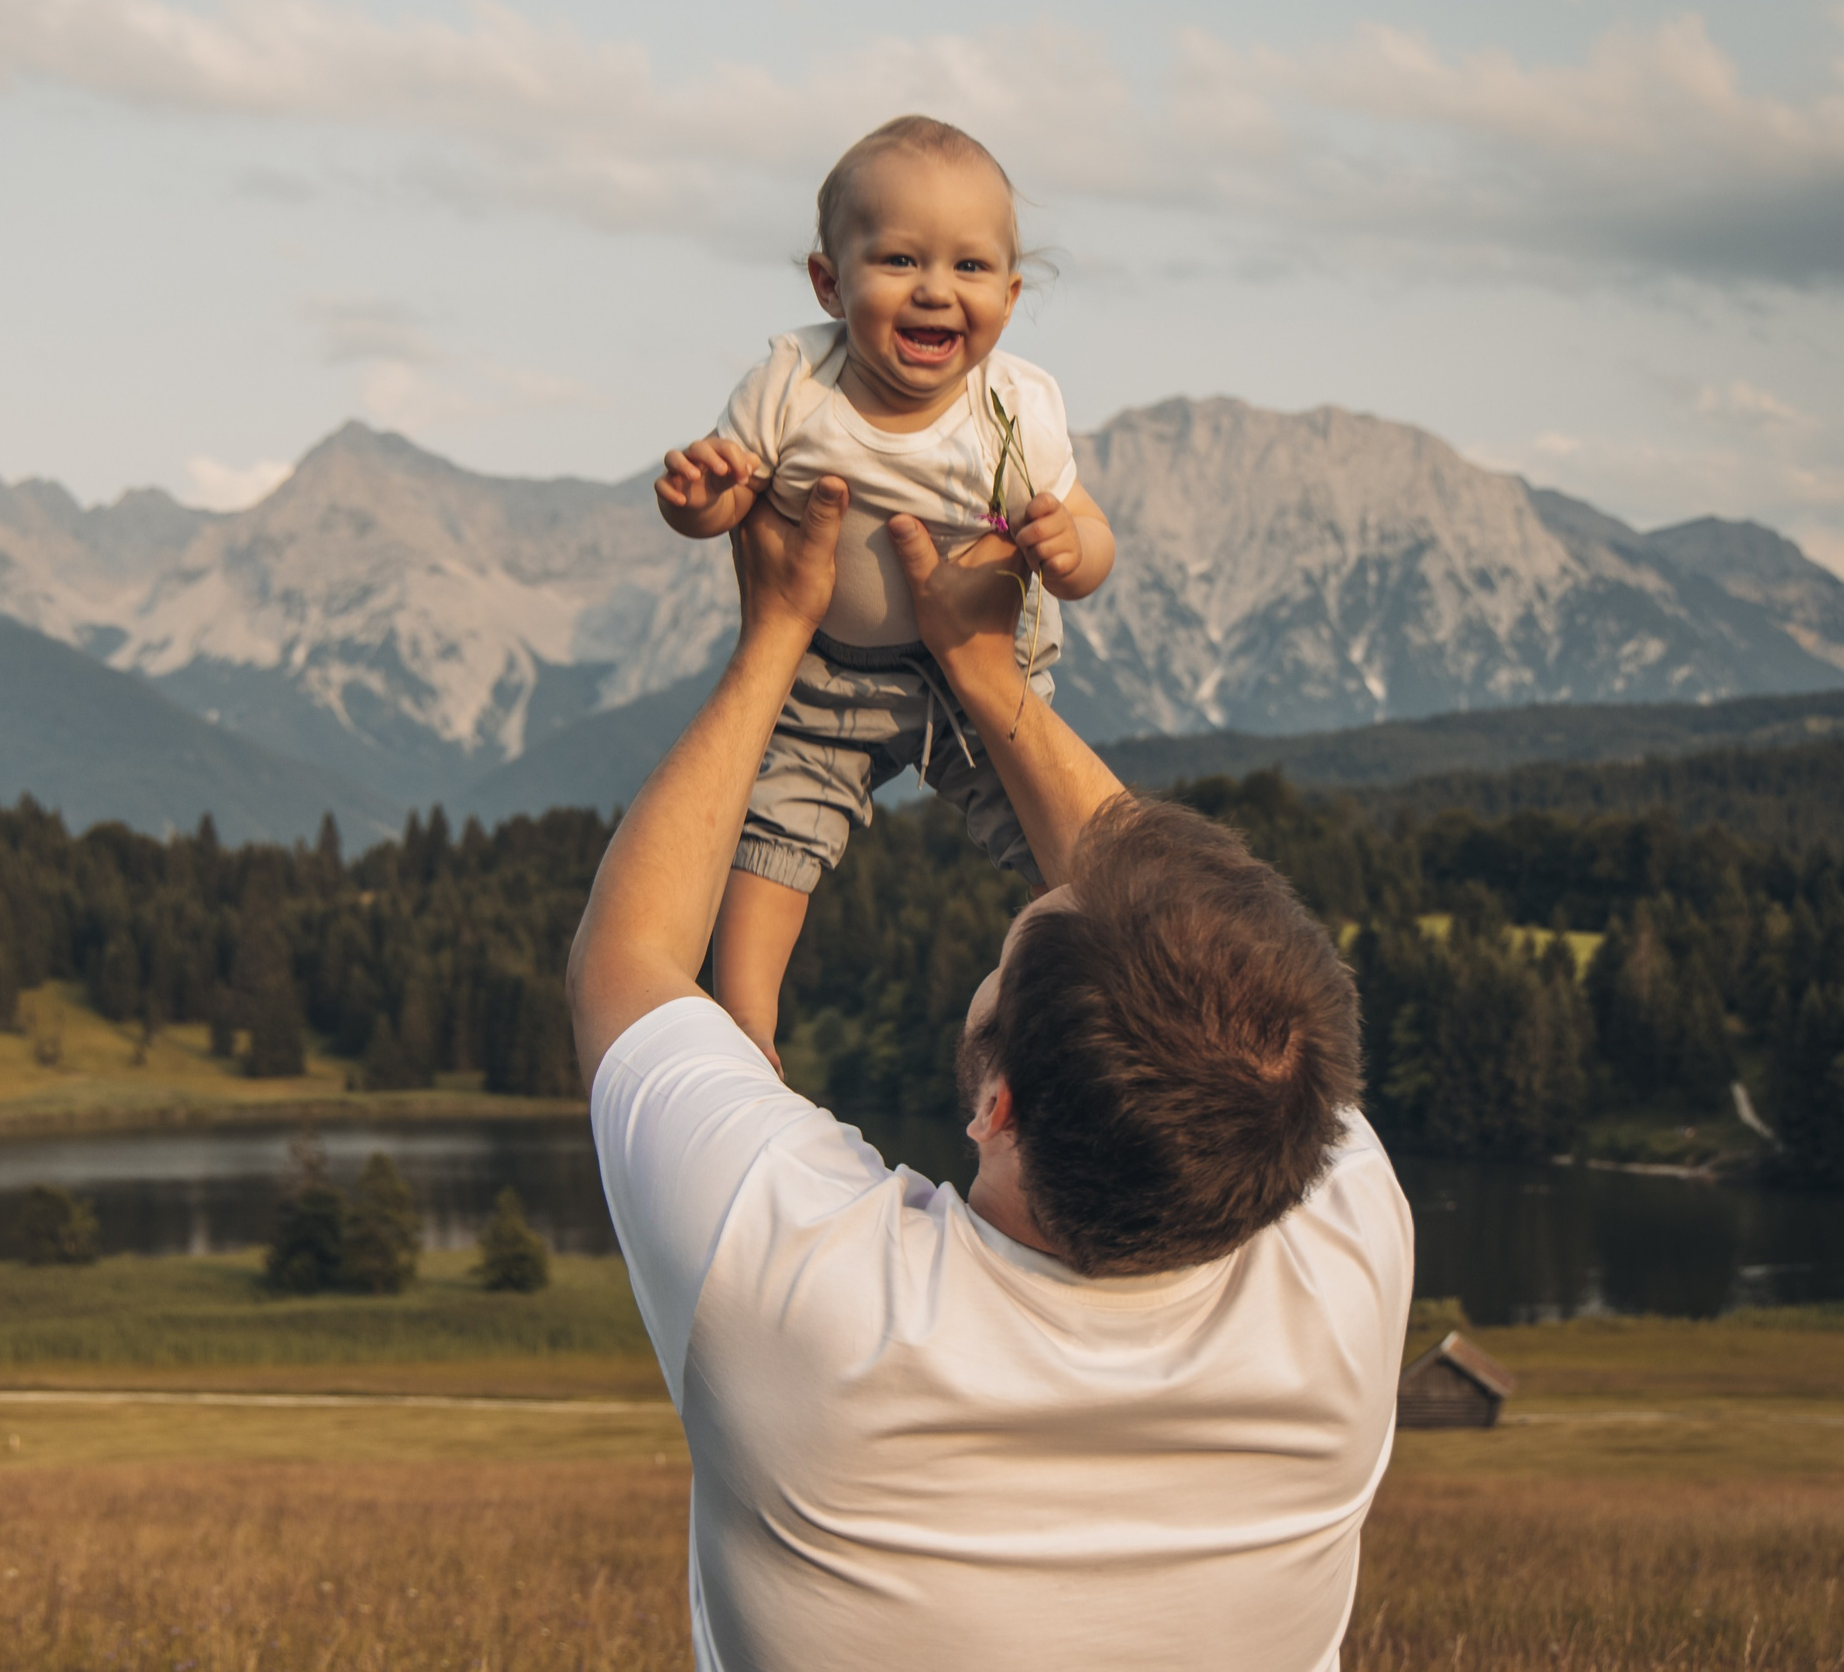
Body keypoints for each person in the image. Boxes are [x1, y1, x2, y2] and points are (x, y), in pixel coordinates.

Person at [568, 479, 1412, 1670]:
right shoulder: (1344, 1254)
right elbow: (1205, 965)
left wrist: (774, 637)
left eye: (1014, 945)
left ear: (996, 1101)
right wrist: (985, 671)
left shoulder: (807, 1296)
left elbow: (626, 961)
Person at [652, 115, 1117, 1071]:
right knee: (775, 835)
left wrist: (1071, 553)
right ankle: (747, 1034)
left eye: (970, 266)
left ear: (1011, 296)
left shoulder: (1017, 406)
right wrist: (700, 503)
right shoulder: (793, 383)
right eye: (900, 259)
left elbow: (1090, 530)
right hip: (829, 676)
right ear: (830, 283)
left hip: (983, 677)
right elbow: (736, 501)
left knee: (1059, 845)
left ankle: (1099, 1017)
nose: (936, 288)